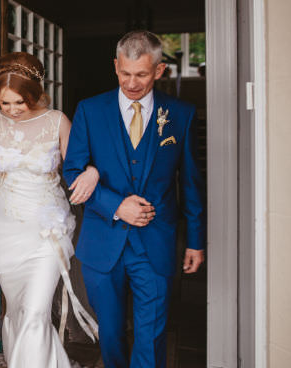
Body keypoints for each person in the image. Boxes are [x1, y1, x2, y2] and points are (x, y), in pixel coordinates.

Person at [62, 30, 205, 368]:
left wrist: (195, 241)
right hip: (103, 242)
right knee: (110, 333)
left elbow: (191, 181)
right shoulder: (90, 110)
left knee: (151, 334)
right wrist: (116, 205)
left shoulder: (181, 114)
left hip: (155, 242)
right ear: (115, 66)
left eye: (141, 74)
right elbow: (72, 173)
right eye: (125, 73)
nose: (131, 82)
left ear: (159, 70)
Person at [0, 52, 99, 368]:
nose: (13, 110)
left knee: (34, 311)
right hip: (7, 229)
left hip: (47, 228)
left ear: (34, 93)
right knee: (18, 311)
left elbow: (75, 169)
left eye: (20, 102)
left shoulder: (58, 121)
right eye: (6, 103)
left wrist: (92, 172)